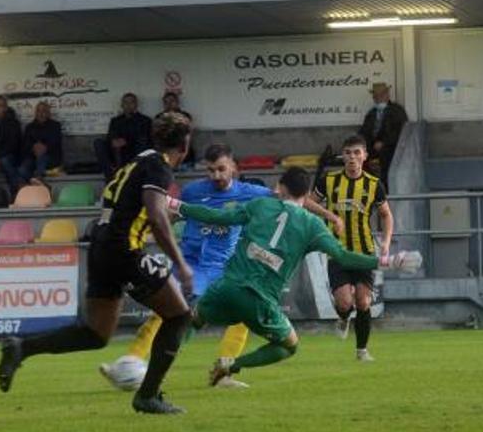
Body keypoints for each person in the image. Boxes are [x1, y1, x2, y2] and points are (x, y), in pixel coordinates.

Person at [0, 112, 195, 415]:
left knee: (96, 334)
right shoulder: (159, 166)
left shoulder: (138, 160)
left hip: (101, 245)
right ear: (184, 144)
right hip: (123, 249)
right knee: (180, 315)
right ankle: (148, 395)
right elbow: (155, 216)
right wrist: (180, 263)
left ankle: (22, 347)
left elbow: (136, 210)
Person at [172, 167, 420, 386]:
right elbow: (342, 257)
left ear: (280, 187)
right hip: (259, 299)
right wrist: (385, 261)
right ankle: (230, 365)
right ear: (307, 193)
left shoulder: (260, 205)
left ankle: (156, 369)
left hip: (226, 288)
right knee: (288, 345)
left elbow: (217, 216)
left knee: (192, 320)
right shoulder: (313, 225)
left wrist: (176, 205)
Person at [98, 143, 272, 390]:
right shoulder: (192, 191)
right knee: (165, 311)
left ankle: (223, 373)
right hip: (191, 264)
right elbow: (167, 213)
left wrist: (326, 217)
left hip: (224, 268)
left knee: (243, 316)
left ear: (233, 167)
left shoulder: (251, 192)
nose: (216, 176)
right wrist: (146, 233)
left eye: (221, 169)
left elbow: (287, 198)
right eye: (211, 170)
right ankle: (130, 362)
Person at [306, 135, 395, 362]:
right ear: (342, 156)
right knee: (345, 302)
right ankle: (344, 317)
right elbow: (307, 202)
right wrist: (329, 216)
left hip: (364, 252)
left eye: (357, 153)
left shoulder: (374, 185)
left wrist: (385, 243)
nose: (352, 157)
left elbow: (386, 215)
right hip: (337, 251)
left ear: (365, 156)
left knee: (364, 302)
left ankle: (362, 351)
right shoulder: (329, 181)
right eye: (348, 153)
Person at [95, 93, 151, 180]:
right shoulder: (116, 120)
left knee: (142, 143)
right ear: (122, 105)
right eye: (126, 102)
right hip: (118, 153)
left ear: (136, 104)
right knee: (98, 142)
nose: (128, 105)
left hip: (135, 152)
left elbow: (146, 139)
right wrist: (113, 141)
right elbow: (110, 136)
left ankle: (135, 169)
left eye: (131, 102)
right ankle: (110, 174)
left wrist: (126, 141)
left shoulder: (145, 120)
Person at [358, 82, 409, 178]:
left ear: (387, 95)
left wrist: (384, 142)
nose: (378, 98)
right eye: (376, 96)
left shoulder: (397, 111)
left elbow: (400, 131)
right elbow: (364, 131)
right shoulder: (371, 113)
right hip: (372, 147)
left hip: (391, 148)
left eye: (381, 95)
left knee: (386, 159)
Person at [19, 101, 62, 185]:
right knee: (22, 169)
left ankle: (38, 179)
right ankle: (33, 184)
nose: (41, 113)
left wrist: (45, 148)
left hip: (51, 157)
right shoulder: (29, 127)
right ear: (35, 113)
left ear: (48, 113)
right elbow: (25, 145)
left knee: (42, 158)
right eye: (39, 111)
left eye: (44, 111)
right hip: (33, 157)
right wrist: (33, 148)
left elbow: (56, 142)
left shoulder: (55, 126)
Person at [157, 92, 195, 170]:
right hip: (165, 153)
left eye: (172, 101)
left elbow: (188, 135)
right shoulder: (159, 117)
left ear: (177, 102)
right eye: (166, 102)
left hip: (183, 155)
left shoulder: (185, 116)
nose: (169, 104)